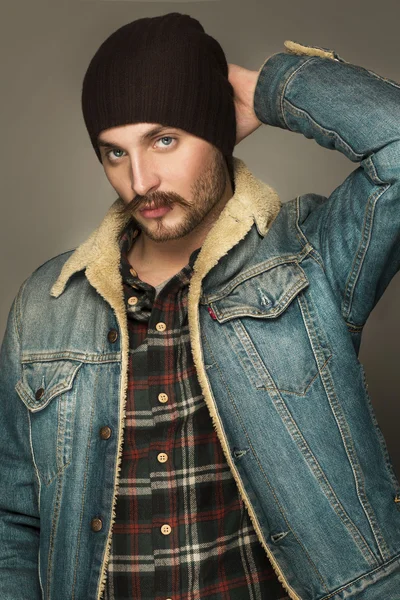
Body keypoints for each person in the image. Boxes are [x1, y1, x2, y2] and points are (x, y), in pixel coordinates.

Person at [0, 10, 399, 600]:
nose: (141, 181)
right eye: (115, 153)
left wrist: (270, 90)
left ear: (216, 128)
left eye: (165, 139)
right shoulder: (46, 305)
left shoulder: (306, 255)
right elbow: (14, 521)